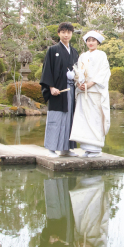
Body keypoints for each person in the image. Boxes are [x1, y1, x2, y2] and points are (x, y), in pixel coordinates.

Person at [40, 22, 79, 156]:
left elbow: (79, 70)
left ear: (72, 34)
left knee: (69, 118)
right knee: (56, 118)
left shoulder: (74, 52)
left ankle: (66, 149)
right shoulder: (53, 50)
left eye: (68, 32)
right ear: (59, 34)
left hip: (71, 89)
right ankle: (51, 148)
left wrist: (76, 76)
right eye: (63, 32)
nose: (66, 35)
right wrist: (51, 87)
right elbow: (47, 70)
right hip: (58, 89)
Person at [70, 31, 111, 158]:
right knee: (83, 119)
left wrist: (91, 83)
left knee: (95, 118)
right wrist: (79, 83)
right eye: (88, 40)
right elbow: (77, 71)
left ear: (98, 42)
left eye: (93, 40)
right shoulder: (82, 56)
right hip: (83, 92)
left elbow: (104, 72)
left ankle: (96, 149)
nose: (91, 43)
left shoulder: (101, 55)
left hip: (95, 92)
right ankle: (87, 148)